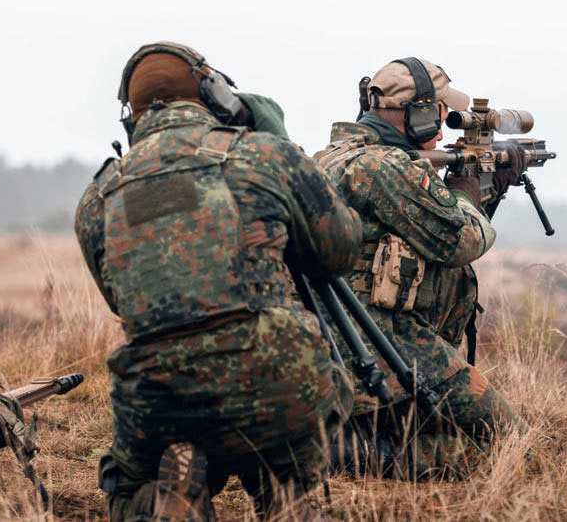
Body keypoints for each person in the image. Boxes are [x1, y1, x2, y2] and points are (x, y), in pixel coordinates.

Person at [75, 41, 359, 520]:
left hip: (160, 400)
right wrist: (279, 144)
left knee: (126, 484)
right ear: (216, 95)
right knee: (331, 387)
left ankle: (171, 495)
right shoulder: (265, 156)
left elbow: (124, 304)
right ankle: (283, 491)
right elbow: (339, 252)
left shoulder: (100, 198)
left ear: (132, 118)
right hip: (275, 387)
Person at [314, 57, 528, 480]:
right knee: (507, 443)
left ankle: (357, 442)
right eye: (441, 111)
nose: (447, 119)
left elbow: (422, 241)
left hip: (335, 338)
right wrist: (468, 195)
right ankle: (349, 455)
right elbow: (463, 241)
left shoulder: (333, 156)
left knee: (424, 425)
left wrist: (474, 193)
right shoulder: (386, 168)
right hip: (380, 339)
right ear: (418, 113)